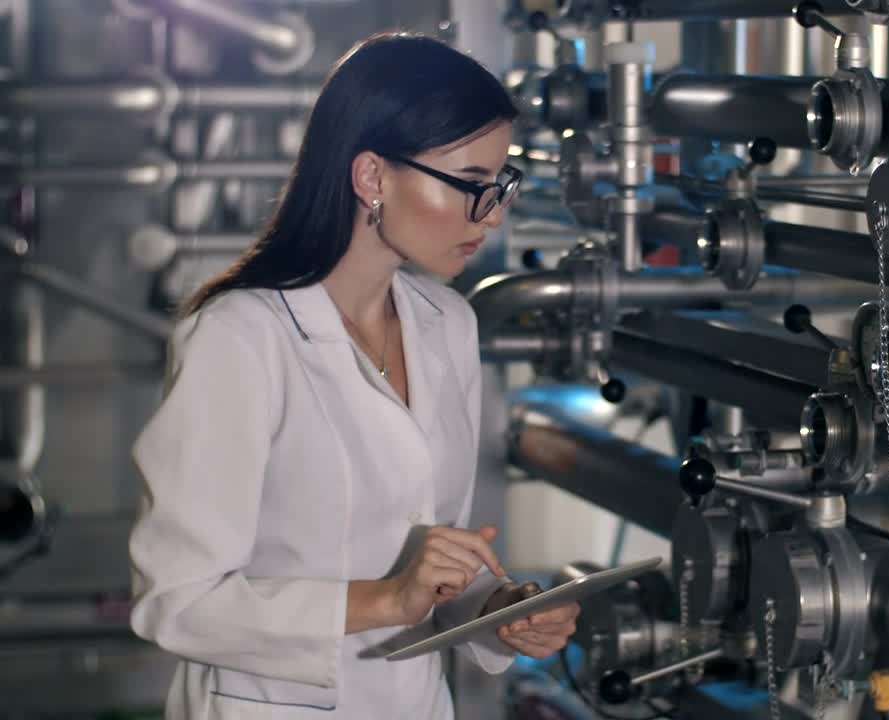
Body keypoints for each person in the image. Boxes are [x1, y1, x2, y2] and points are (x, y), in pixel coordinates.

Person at [127, 32, 579, 719]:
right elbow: (176, 602)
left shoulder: (448, 323)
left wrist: (499, 610)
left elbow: (436, 564)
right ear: (372, 177)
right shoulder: (241, 336)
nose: (492, 214)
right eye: (470, 186)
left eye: (502, 185)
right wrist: (386, 599)